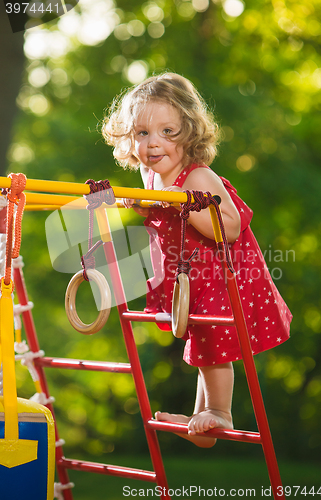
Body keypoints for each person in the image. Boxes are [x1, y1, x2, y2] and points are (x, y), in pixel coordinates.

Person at [102, 72, 292, 448]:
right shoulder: (151, 173)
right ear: (129, 138)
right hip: (191, 272)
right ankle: (202, 419)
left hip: (224, 273)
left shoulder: (198, 176)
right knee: (202, 340)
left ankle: (220, 412)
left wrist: (187, 206)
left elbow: (232, 226)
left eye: (167, 132)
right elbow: (159, 208)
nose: (153, 143)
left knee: (213, 339)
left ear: (189, 133)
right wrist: (142, 200)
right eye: (142, 134)